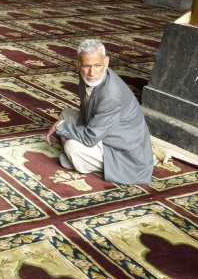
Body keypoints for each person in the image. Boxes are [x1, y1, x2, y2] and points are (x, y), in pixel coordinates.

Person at [46, 39, 154, 185]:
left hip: (123, 148)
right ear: (77, 65)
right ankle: (80, 155)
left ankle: (90, 162)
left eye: (97, 65)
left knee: (72, 147)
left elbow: (90, 137)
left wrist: (61, 127)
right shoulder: (88, 76)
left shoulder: (111, 96)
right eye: (86, 66)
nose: (92, 73)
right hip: (101, 128)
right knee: (66, 113)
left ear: (106, 63)